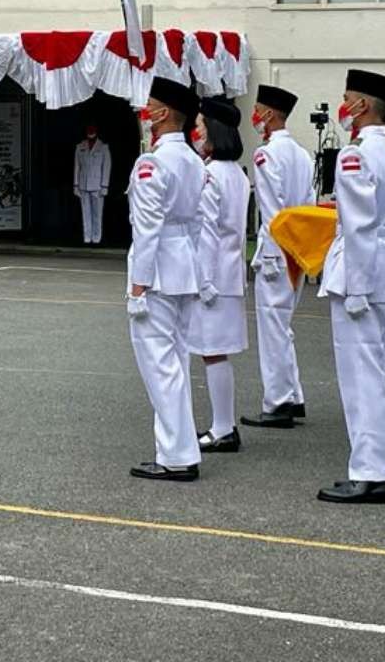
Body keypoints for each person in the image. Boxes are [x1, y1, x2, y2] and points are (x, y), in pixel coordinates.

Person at [317, 68, 385, 505]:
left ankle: (371, 471)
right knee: (372, 372)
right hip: (377, 270)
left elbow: (359, 225)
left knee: (361, 377)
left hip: (361, 272)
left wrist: (355, 287)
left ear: (362, 106)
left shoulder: (356, 154)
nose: (343, 105)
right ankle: (377, 465)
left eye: (348, 98)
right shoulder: (384, 148)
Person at [125, 77, 206, 481]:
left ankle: (176, 455)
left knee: (161, 366)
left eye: (150, 106)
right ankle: (178, 448)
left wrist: (138, 285)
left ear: (162, 114)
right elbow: (198, 225)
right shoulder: (192, 159)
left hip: (157, 273)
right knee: (176, 362)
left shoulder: (152, 162)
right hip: (183, 269)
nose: (144, 112)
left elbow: (147, 228)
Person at [240, 84, 316, 430]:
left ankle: (279, 400)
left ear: (268, 114)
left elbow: (272, 212)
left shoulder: (266, 155)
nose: (255, 116)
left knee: (273, 327)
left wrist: (268, 255)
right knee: (282, 326)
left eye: (258, 109)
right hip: (299, 246)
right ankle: (291, 395)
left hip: (278, 249)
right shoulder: (301, 153)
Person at [188, 96, 250, 453]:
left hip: (215, 277)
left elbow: (208, 231)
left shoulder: (210, 174)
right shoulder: (236, 173)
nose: (195, 130)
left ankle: (223, 427)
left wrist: (204, 280)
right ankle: (223, 424)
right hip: (229, 274)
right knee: (217, 353)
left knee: (212, 353)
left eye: (199, 124)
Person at [73, 123, 112, 245]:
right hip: (83, 184)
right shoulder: (80, 146)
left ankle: (96, 238)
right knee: (85, 213)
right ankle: (87, 237)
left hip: (97, 185)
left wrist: (105, 185)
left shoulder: (103, 147)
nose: (90, 132)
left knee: (97, 213)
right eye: (88, 130)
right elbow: (77, 167)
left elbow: (106, 167)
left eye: (92, 130)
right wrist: (75, 184)